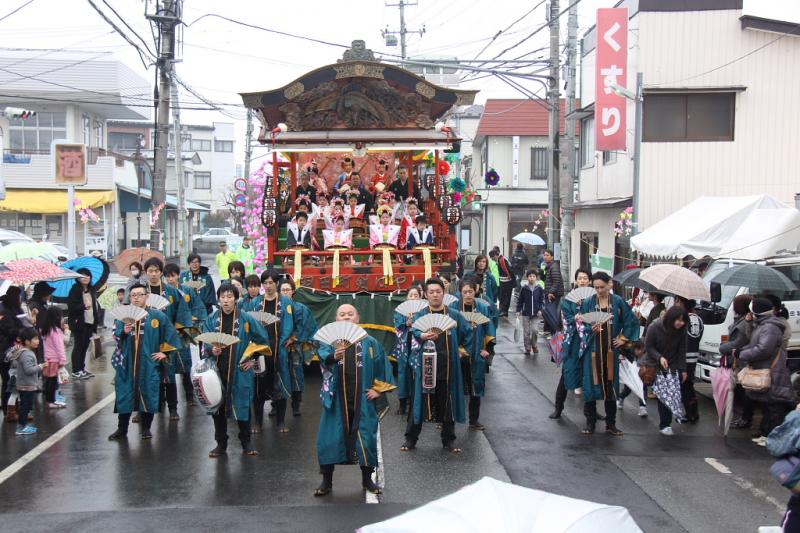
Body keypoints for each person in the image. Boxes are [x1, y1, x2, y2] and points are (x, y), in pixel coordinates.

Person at [314, 304, 395, 496]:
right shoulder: (330, 342)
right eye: (342, 314)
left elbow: (382, 366)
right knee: (329, 440)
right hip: (336, 401)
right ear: (336, 319)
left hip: (362, 402)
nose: (346, 317)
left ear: (358, 318)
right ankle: (326, 481)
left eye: (350, 314)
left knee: (365, 440)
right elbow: (323, 358)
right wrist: (334, 356)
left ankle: (368, 480)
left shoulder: (370, 343)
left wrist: (378, 389)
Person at [402, 278, 472, 453]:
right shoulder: (421, 315)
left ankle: (448, 440)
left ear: (443, 293)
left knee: (447, 402)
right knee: (419, 402)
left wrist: (462, 350)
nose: (435, 295)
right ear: (425, 294)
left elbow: (467, 334)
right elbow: (415, 332)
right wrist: (422, 335)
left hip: (448, 366)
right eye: (431, 292)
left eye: (438, 291)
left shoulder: (454, 315)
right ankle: (410, 439)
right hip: (425, 366)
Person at [201, 283, 270, 457]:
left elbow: (262, 340)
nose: (226, 300)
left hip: (240, 370)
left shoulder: (246, 319)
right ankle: (221, 443)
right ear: (218, 299)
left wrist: (252, 359)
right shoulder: (211, 319)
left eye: (230, 296)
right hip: (217, 371)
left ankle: (246, 442)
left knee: (242, 406)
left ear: (236, 299)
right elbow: (205, 344)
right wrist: (211, 350)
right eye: (223, 297)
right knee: (218, 407)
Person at [108, 283, 181, 441]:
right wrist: (123, 331)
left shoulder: (157, 316)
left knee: (149, 394)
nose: (136, 298)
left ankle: (146, 428)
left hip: (149, 364)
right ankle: (122, 429)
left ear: (146, 296)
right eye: (133, 295)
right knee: (125, 395)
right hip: (127, 364)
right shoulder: (123, 316)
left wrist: (165, 352)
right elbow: (115, 336)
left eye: (140, 295)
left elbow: (171, 336)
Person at [578, 271, 640, 436]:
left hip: (611, 352)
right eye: (596, 287)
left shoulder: (618, 302)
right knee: (590, 386)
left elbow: (631, 321)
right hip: (593, 351)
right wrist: (590, 329)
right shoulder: (589, 303)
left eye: (602, 287)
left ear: (610, 284)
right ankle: (590, 423)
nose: (599, 290)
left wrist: (623, 338)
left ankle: (610, 423)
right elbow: (581, 326)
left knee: (610, 387)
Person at [737, 297, 795, 446]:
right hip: (766, 368)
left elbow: (763, 349)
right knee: (767, 405)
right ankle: (765, 433)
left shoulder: (770, 327)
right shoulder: (763, 324)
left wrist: (742, 354)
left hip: (772, 370)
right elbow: (753, 340)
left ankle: (773, 437)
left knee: (774, 406)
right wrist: (749, 323)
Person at [143, 258, 193, 420]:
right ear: (146, 272)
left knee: (169, 374)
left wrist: (178, 331)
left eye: (156, 271)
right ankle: (146, 408)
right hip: (147, 338)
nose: (153, 274)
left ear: (160, 273)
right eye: (150, 271)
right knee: (147, 373)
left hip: (167, 337)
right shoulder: (141, 291)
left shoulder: (171, 291)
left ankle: (173, 408)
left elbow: (182, 311)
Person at [251, 270, 295, 433]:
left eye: (271, 282)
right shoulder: (256, 302)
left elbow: (289, 325)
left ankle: (281, 422)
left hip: (278, 349)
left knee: (280, 384)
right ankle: (257, 423)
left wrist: (281, 342)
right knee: (258, 385)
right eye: (265, 283)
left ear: (277, 283)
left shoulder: (285, 303)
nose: (268, 286)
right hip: (260, 349)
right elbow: (250, 324)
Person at [451, 279, 495, 431]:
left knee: (476, 386)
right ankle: (448, 418)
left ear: (475, 291)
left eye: (470, 291)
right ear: (460, 293)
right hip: (458, 352)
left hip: (477, 352)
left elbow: (490, 328)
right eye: (465, 292)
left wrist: (487, 349)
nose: (468, 295)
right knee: (454, 386)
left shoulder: (482, 307)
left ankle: (474, 419)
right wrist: (456, 348)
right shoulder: (454, 308)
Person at [549, 269, 591, 419]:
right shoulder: (568, 299)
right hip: (573, 342)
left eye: (585, 278)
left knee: (589, 377)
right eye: (580, 278)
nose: (582, 281)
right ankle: (558, 407)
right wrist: (577, 317)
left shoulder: (593, 298)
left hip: (588, 342)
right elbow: (565, 320)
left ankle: (591, 411)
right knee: (567, 374)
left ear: (590, 281)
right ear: (575, 281)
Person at [164, 262, 208, 406]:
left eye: (173, 276)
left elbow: (198, 309)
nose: (171, 279)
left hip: (183, 334)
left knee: (185, 365)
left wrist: (190, 325)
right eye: (168, 277)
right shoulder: (163, 293)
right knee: (165, 368)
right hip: (166, 336)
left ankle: (189, 396)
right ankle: (167, 400)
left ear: (178, 276)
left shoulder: (188, 291)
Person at [643, 306, 689, 435]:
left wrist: (683, 369)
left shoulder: (682, 330)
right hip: (655, 363)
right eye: (678, 320)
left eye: (683, 320)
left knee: (674, 391)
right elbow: (649, 346)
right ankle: (665, 424)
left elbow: (682, 350)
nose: (681, 323)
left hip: (672, 363)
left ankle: (676, 414)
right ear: (671, 318)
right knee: (663, 394)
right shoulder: (654, 327)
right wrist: (659, 357)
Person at [279, 278, 318, 417]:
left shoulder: (300, 308)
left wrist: (293, 338)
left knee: (296, 375)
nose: (285, 293)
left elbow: (306, 326)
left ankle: (296, 404)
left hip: (294, 347)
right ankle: (275, 405)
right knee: (277, 375)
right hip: (279, 347)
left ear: (293, 292)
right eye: (282, 290)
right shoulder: (276, 307)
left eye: (287, 290)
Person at [721, 295, 754, 429]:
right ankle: (744, 417)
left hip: (740, 360)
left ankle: (745, 418)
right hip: (739, 359)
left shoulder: (745, 322)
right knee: (742, 389)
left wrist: (723, 347)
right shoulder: (743, 320)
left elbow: (739, 342)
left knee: (745, 390)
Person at [393, 286, 423, 416]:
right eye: (411, 295)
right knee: (403, 372)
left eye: (416, 295)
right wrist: (406, 323)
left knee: (417, 371)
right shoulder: (400, 310)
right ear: (407, 297)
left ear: (420, 297)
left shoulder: (424, 310)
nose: (413, 298)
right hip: (405, 343)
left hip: (418, 342)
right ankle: (402, 402)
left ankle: (415, 400)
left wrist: (416, 322)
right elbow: (397, 327)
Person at [66, 269, 99, 380]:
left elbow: (94, 307)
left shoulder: (92, 289)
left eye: (87, 275)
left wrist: (96, 322)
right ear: (78, 278)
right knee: (79, 346)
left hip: (90, 321)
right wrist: (84, 306)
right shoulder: (74, 290)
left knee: (85, 346)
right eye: (82, 276)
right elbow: (71, 308)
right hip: (79, 322)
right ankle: (76, 370)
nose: (85, 278)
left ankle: (82, 368)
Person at [675, 297, 703, 423]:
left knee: (684, 387)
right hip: (694, 357)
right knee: (689, 385)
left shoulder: (683, 319)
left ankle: (690, 414)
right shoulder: (699, 319)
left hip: (682, 357)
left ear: (682, 303)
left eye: (677, 301)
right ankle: (693, 412)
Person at [9, 328, 42, 435]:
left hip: (26, 385)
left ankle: (23, 426)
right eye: (35, 339)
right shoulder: (27, 354)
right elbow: (29, 370)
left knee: (26, 406)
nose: (38, 341)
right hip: (27, 385)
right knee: (25, 407)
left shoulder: (26, 352)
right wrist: (40, 366)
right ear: (27, 341)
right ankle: (21, 427)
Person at [41, 307, 67, 409]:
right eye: (61, 316)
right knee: (53, 381)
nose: (62, 319)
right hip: (55, 359)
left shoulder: (47, 330)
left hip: (48, 359)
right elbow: (59, 346)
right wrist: (63, 359)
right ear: (56, 318)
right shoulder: (56, 331)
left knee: (49, 381)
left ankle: (49, 400)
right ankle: (51, 401)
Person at [516, 269, 545, 356]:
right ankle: (527, 348)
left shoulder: (539, 288)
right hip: (526, 313)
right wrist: (518, 310)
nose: (531, 278)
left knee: (535, 330)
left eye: (533, 276)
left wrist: (540, 310)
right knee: (526, 332)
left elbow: (542, 300)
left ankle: (534, 345)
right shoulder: (524, 288)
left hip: (536, 314)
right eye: (530, 276)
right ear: (527, 277)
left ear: (536, 278)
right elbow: (520, 301)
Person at [466, 254, 499, 326]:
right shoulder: (469, 275)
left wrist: (493, 303)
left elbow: (495, 291)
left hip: (486, 304)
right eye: (479, 261)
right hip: (471, 303)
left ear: (486, 264)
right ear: (476, 263)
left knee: (485, 324)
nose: (481, 263)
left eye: (484, 262)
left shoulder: (490, 277)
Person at [542, 249, 564, 334]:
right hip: (551, 293)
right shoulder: (549, 266)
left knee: (552, 313)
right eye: (545, 255)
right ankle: (549, 330)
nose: (545, 257)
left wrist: (551, 292)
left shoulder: (553, 267)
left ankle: (554, 332)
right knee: (549, 312)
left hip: (554, 294)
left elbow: (556, 281)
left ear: (552, 257)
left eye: (547, 255)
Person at [490, 249, 515, 317]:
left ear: (495, 256)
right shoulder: (501, 259)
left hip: (507, 282)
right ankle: (502, 310)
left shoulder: (502, 260)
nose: (492, 260)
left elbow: (507, 270)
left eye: (492, 258)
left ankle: (504, 311)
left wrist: (510, 278)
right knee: (503, 297)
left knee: (506, 297)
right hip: (503, 282)